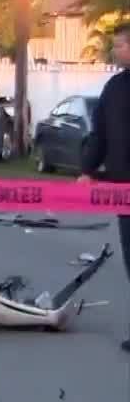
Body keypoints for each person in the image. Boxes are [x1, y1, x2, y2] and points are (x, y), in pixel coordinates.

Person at [78, 21, 130, 352]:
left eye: (121, 44)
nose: (115, 50)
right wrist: (88, 169)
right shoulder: (114, 88)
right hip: (125, 191)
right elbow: (101, 134)